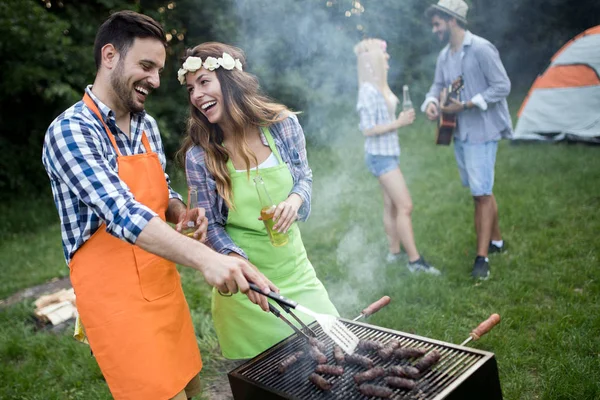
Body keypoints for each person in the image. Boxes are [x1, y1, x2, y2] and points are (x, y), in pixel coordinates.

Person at [41, 11, 273, 400]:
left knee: (192, 389)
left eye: (159, 70)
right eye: (146, 66)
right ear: (110, 56)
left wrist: (180, 210)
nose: (155, 80)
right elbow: (123, 213)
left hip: (162, 289)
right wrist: (207, 258)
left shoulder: (145, 125)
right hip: (117, 306)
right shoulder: (71, 131)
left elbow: (160, 190)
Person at [178, 42, 340, 360]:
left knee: (335, 361)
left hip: (298, 275)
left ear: (230, 80)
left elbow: (304, 179)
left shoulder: (282, 126)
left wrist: (294, 201)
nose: (196, 95)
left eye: (204, 82)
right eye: (190, 88)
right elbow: (210, 228)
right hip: (243, 290)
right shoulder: (199, 156)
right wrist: (244, 270)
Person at [422, 0, 512, 280]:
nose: (434, 29)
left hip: (483, 131)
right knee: (481, 188)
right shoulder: (445, 56)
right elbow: (437, 86)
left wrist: (469, 103)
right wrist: (430, 104)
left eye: (437, 23)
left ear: (452, 21)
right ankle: (497, 242)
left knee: (480, 194)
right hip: (458, 132)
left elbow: (503, 86)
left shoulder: (482, 49)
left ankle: (482, 259)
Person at [354, 38, 440, 275]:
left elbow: (380, 122)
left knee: (391, 205)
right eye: (384, 57)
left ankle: (393, 253)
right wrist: (399, 122)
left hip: (385, 154)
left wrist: (397, 120)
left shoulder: (376, 86)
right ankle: (415, 262)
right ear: (373, 63)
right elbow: (368, 129)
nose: (388, 60)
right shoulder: (368, 92)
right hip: (381, 158)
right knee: (405, 206)